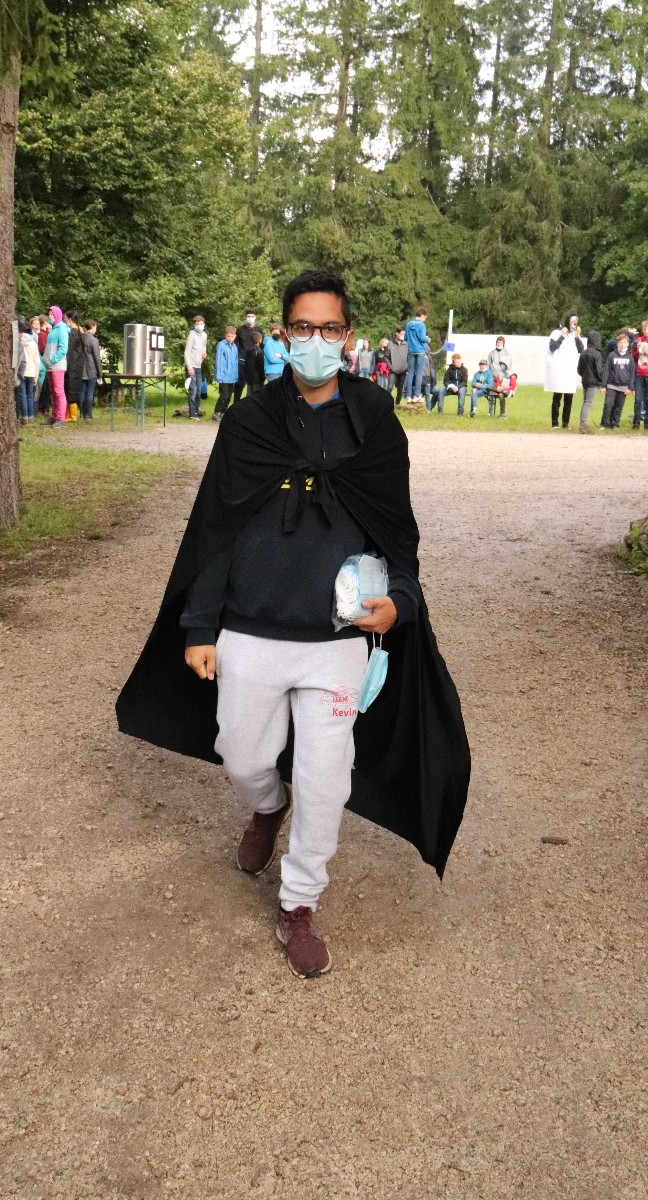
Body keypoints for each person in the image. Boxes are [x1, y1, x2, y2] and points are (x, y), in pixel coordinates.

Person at [116, 269, 471, 979]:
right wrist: (199, 626)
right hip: (250, 629)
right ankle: (266, 805)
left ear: (347, 335)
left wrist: (401, 599)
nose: (315, 340)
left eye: (328, 328)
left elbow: (396, 528)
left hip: (335, 639)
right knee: (242, 755)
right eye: (302, 328)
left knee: (326, 777)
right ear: (283, 334)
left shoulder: (373, 420)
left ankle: (299, 901)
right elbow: (215, 526)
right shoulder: (249, 422)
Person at [545, 315, 583, 429]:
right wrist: (562, 336)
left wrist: (577, 336)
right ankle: (555, 423)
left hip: (569, 371)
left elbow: (581, 349)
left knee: (568, 399)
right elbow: (552, 347)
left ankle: (565, 424)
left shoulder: (574, 335)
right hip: (558, 370)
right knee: (557, 398)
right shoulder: (556, 333)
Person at [601, 331, 635, 429]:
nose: (622, 344)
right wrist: (603, 385)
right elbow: (606, 370)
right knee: (608, 404)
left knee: (618, 407)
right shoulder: (612, 355)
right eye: (620, 342)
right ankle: (604, 424)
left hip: (624, 386)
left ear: (628, 344)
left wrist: (630, 388)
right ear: (617, 343)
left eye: (624, 342)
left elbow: (632, 373)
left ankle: (615, 424)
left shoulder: (630, 358)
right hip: (611, 385)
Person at [44, 305, 69, 426]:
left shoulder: (62, 329)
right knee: (53, 392)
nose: (50, 316)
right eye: (49, 314)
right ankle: (54, 416)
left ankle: (61, 418)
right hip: (50, 365)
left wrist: (53, 359)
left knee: (59, 392)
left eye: (52, 314)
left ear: (57, 315)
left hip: (57, 365)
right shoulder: (53, 330)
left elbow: (63, 348)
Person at [233, 310, 264, 403]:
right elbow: (235, 344)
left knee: (254, 386)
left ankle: (252, 404)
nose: (250, 318)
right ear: (246, 317)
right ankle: (236, 404)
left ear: (255, 317)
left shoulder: (259, 330)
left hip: (254, 362)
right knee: (240, 384)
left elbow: (262, 345)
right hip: (242, 361)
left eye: (252, 316)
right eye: (248, 316)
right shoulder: (240, 329)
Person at [577, 330, 603, 434]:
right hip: (593, 382)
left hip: (585, 380)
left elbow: (579, 369)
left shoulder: (583, 352)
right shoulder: (597, 354)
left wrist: (584, 376)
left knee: (585, 402)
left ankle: (582, 423)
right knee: (588, 403)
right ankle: (583, 425)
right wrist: (600, 380)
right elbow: (598, 370)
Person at [15, 317, 40, 424]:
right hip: (32, 371)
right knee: (30, 395)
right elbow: (37, 360)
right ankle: (31, 416)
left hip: (22, 372)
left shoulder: (19, 342)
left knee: (22, 395)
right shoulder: (33, 343)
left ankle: (24, 417)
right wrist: (36, 375)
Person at [213, 326, 239, 420]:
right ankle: (216, 413)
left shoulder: (235, 347)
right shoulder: (221, 345)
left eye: (232, 336)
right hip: (223, 375)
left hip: (232, 375)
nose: (230, 338)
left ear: (235, 336)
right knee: (223, 395)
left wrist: (235, 375)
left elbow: (235, 362)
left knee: (229, 395)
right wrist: (219, 375)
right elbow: (219, 361)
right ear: (225, 335)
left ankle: (223, 413)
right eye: (228, 336)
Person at [184, 315, 208, 420]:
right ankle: (192, 413)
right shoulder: (191, 336)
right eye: (197, 324)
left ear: (204, 324)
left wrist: (204, 353)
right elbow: (187, 352)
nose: (199, 326)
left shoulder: (204, 335)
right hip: (191, 366)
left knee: (199, 390)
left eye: (201, 324)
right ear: (194, 325)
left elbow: (204, 346)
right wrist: (189, 367)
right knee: (193, 390)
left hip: (199, 366)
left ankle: (196, 410)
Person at [79, 319, 103, 420]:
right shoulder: (94, 340)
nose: (96, 329)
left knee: (82, 392)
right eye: (95, 327)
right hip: (91, 369)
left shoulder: (80, 338)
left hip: (81, 369)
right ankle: (88, 414)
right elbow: (97, 358)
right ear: (92, 326)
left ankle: (82, 414)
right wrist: (100, 373)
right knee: (90, 392)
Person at [65, 310, 85, 423]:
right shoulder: (80, 330)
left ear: (70, 319)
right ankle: (71, 414)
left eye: (65, 318)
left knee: (70, 389)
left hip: (72, 365)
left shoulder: (73, 333)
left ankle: (72, 415)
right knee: (73, 388)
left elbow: (69, 351)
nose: (64, 320)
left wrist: (66, 365)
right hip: (78, 364)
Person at [629, 319, 648, 429]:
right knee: (638, 399)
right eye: (644, 329)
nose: (646, 331)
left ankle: (647, 423)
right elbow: (633, 356)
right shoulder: (639, 340)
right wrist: (637, 349)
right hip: (639, 373)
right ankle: (636, 422)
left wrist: (646, 351)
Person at [35, 315, 51, 415]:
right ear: (45, 322)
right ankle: (41, 407)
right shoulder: (42, 334)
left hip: (45, 361)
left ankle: (44, 407)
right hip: (43, 362)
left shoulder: (45, 333)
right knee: (43, 386)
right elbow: (42, 348)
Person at [243, 329, 265, 401]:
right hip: (258, 378)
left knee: (249, 393)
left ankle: (247, 405)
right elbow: (261, 365)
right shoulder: (260, 352)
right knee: (257, 395)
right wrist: (262, 376)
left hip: (249, 377)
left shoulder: (248, 351)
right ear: (260, 340)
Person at [387, 327, 407, 405]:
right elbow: (386, 357)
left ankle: (397, 404)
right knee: (390, 387)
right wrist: (390, 367)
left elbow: (409, 357)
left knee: (400, 389)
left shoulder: (406, 344)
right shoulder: (390, 344)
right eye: (402, 334)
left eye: (404, 334)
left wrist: (407, 367)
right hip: (393, 370)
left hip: (403, 371)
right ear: (397, 334)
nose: (403, 336)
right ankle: (386, 402)